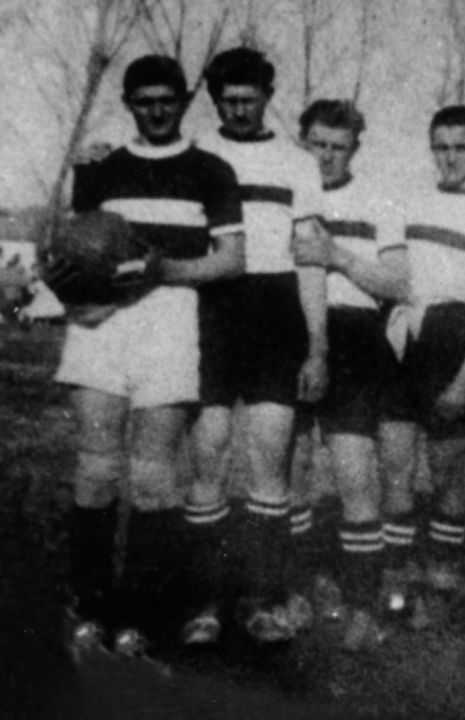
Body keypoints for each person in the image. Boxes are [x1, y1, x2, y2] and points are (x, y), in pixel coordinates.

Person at [57, 54, 244, 657]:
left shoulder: (211, 170)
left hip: (169, 321)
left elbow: (231, 261)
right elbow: (77, 251)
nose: (157, 110)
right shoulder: (102, 168)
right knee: (96, 467)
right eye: (145, 101)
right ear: (129, 104)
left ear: (184, 102)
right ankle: (90, 607)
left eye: (167, 100)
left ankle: (138, 619)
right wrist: (80, 300)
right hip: (103, 326)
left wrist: (164, 270)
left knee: (153, 477)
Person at [185, 47, 329, 644]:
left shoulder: (297, 164)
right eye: (228, 100)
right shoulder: (194, 152)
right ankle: (205, 601)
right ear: (215, 100)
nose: (239, 109)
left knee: (270, 455)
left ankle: (264, 599)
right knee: (210, 452)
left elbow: (311, 260)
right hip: (212, 310)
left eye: (249, 98)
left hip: (275, 311)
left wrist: (317, 346)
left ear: (269, 97)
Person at [382, 104, 465, 618]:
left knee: (445, 469)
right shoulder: (411, 199)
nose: (450, 157)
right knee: (395, 463)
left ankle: (440, 581)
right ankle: (395, 584)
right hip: (401, 331)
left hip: (452, 334)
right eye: (441, 147)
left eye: (461, 148)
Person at [293, 99, 411, 649]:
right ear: (302, 141)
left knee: (354, 472)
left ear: (355, 149)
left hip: (355, 337)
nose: (326, 156)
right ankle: (293, 592)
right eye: (317, 144)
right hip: (288, 328)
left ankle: (364, 605)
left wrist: (337, 255)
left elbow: (399, 284)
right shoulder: (286, 194)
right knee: (289, 468)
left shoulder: (377, 200)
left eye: (339, 147)